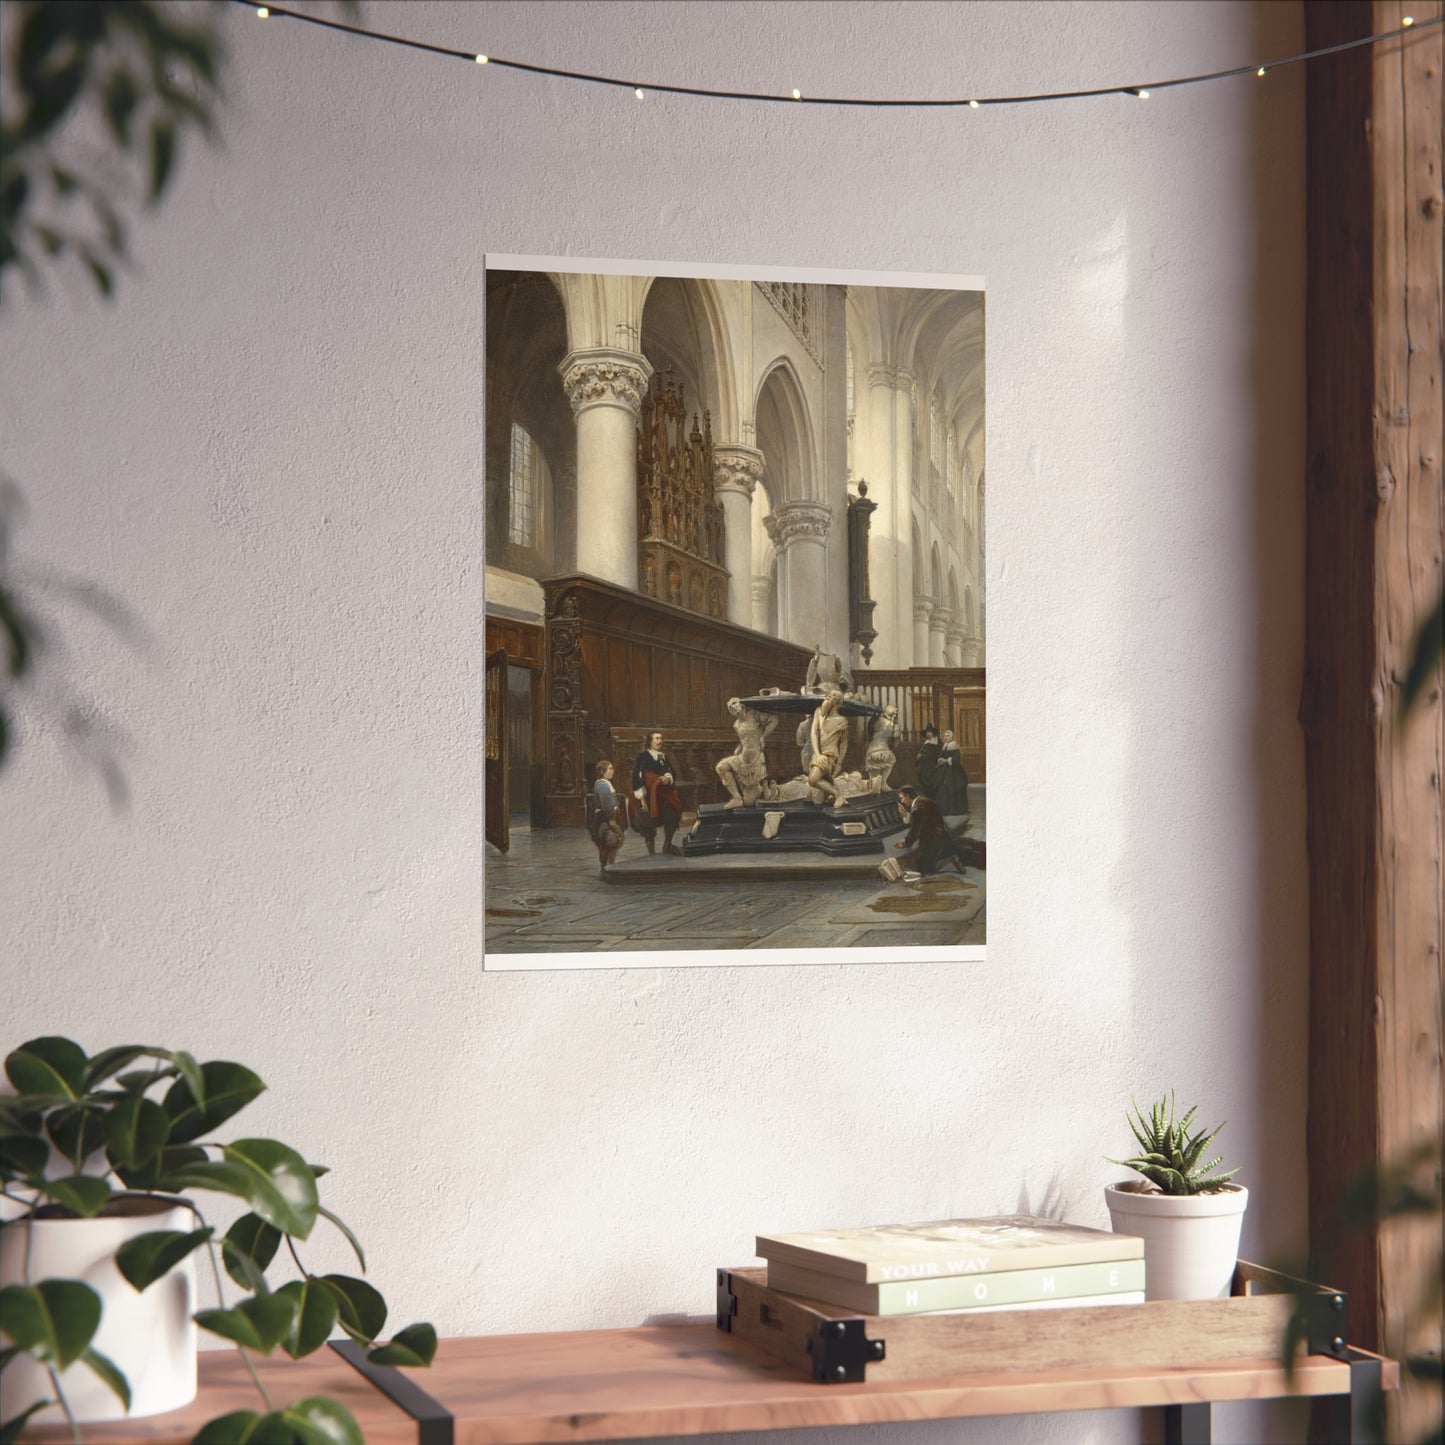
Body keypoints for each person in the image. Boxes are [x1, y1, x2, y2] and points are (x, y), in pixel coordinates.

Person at [891, 786, 969, 877]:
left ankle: (950, 859)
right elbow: (919, 820)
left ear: (908, 796)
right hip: (941, 837)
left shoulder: (918, 808)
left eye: (902, 798)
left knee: (925, 870)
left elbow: (914, 831)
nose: (902, 801)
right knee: (919, 863)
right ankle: (945, 857)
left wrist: (905, 843)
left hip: (933, 842)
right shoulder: (923, 801)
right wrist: (905, 815)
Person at [715, 698, 778, 809]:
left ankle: (763, 789)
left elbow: (774, 719)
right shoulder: (736, 724)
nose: (732, 707)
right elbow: (744, 740)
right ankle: (736, 798)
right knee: (721, 767)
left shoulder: (754, 715)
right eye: (730, 707)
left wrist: (764, 736)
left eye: (734, 703)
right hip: (742, 758)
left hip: (755, 761)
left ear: (742, 704)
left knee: (749, 803)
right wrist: (738, 750)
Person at [632, 729, 684, 856]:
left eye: (661, 738)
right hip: (647, 795)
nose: (660, 741)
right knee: (648, 823)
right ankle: (651, 852)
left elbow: (671, 772)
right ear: (650, 742)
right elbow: (637, 777)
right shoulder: (642, 757)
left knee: (673, 813)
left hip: (662, 793)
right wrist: (642, 799)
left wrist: (668, 778)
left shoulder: (663, 757)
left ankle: (667, 845)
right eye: (656, 738)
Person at [806, 689, 849, 807]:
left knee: (813, 780)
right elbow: (814, 733)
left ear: (838, 703)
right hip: (819, 756)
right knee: (818, 798)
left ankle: (837, 794)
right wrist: (818, 754)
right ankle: (836, 795)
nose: (829, 696)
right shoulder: (818, 712)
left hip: (830, 756)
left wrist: (839, 763)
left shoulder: (842, 721)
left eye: (834, 695)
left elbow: (844, 743)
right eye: (829, 695)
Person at [589, 760, 626, 871]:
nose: (612, 771)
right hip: (604, 819)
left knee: (612, 842)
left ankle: (608, 866)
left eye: (612, 768)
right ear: (602, 771)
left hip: (606, 817)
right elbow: (606, 804)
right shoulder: (602, 785)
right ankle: (606, 867)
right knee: (610, 841)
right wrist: (612, 818)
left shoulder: (604, 784)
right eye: (609, 769)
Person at [933, 728, 970, 817]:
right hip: (943, 770)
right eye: (945, 736)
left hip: (953, 771)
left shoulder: (954, 746)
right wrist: (940, 760)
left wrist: (946, 760)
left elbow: (957, 759)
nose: (946, 738)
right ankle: (943, 809)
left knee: (952, 787)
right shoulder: (944, 746)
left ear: (951, 737)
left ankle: (954, 810)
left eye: (948, 736)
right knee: (941, 787)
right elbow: (940, 756)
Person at [864, 704, 901, 791]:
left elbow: (870, 730)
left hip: (872, 751)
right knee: (887, 767)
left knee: (873, 778)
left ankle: (875, 785)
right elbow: (895, 742)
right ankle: (883, 783)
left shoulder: (877, 721)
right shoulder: (894, 726)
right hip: (886, 752)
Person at [914, 724, 941, 797]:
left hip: (932, 764)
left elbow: (934, 754)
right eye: (926, 733)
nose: (928, 734)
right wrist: (919, 755)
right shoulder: (927, 742)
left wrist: (922, 756)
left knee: (930, 779)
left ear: (933, 733)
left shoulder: (937, 742)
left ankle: (932, 795)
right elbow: (922, 751)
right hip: (924, 765)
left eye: (929, 732)